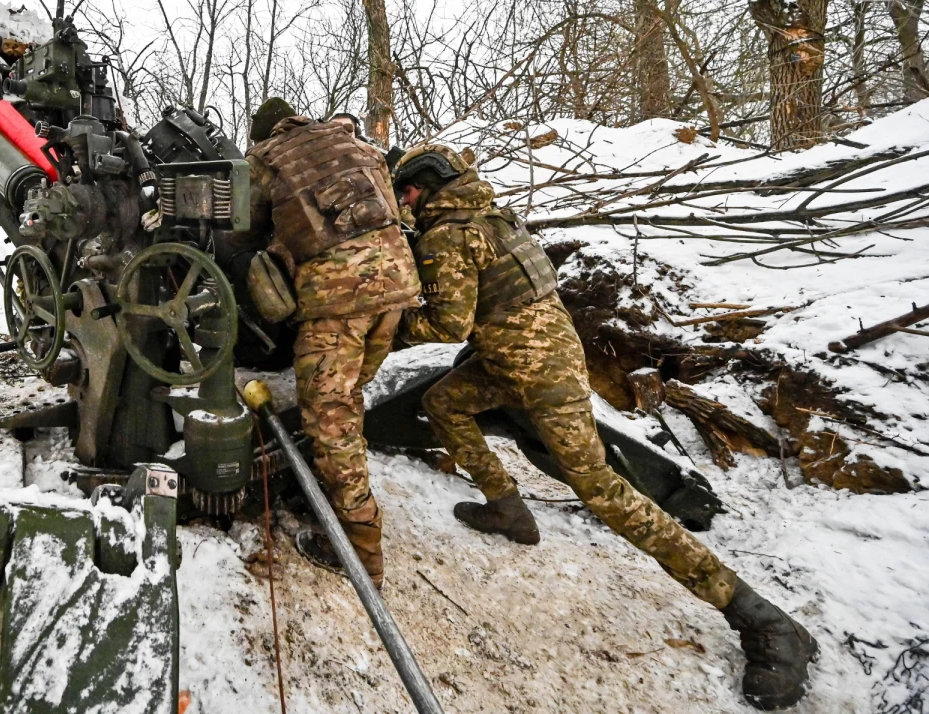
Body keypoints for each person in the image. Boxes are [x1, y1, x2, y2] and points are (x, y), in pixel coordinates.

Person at [391, 143, 818, 710]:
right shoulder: (488, 215)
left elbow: (448, 321)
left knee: (602, 489)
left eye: (408, 191)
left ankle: (764, 620)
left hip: (538, 369)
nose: (404, 201)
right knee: (445, 402)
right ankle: (507, 507)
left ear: (427, 183)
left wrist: (388, 327)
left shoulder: (450, 232)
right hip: (520, 356)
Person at [244, 98, 421, 588]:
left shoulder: (266, 157)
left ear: (262, 135)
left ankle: (360, 551)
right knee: (347, 400)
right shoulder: (350, 141)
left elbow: (246, 229)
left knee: (329, 418)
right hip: (397, 285)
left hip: (339, 296)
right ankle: (328, 486)